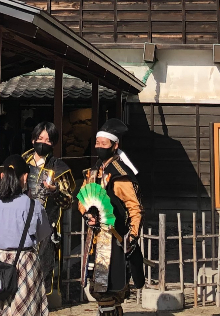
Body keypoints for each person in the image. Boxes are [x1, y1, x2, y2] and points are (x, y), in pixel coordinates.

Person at [78, 119, 142, 316]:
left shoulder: (120, 175)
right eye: (97, 143)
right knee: (101, 289)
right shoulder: (93, 171)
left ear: (115, 146)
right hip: (95, 238)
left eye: (103, 144)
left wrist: (132, 234)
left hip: (115, 238)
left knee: (108, 289)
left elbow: (134, 207)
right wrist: (87, 213)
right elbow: (83, 198)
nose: (99, 147)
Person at [0, 155, 53, 316]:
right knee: (24, 309)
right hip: (24, 262)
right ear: (25, 177)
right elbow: (43, 234)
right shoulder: (33, 205)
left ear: (2, 176)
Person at [21, 122, 75, 300]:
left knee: (42, 266)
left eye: (48, 140)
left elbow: (68, 201)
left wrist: (55, 191)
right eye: (40, 139)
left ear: (54, 143)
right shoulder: (21, 163)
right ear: (33, 140)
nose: (43, 143)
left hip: (46, 224)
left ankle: (40, 302)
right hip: (20, 223)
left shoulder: (58, 168)